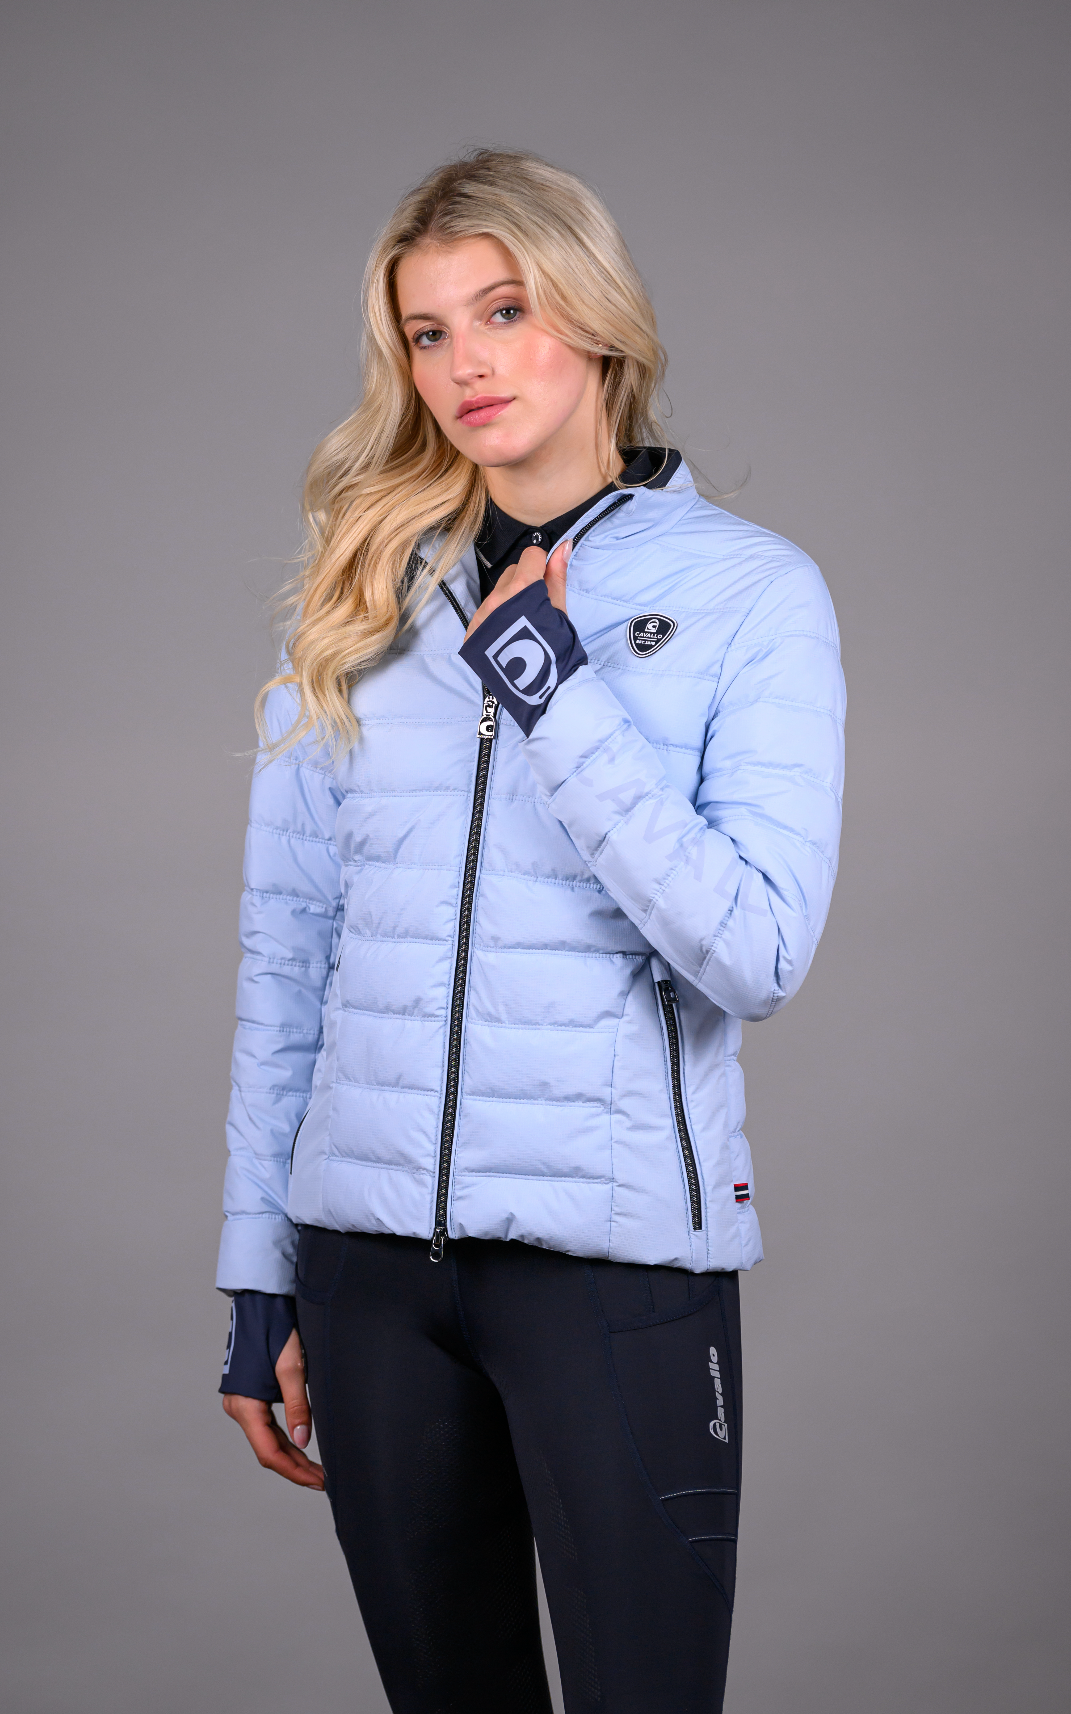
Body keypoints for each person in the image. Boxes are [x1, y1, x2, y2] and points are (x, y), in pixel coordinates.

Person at [216, 149, 844, 1714]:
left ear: (597, 316)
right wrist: (259, 1273)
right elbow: (289, 954)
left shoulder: (754, 595)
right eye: (428, 333)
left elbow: (757, 949)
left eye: (504, 311)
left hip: (614, 1273)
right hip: (370, 1283)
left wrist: (556, 691)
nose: (466, 364)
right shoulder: (362, 599)